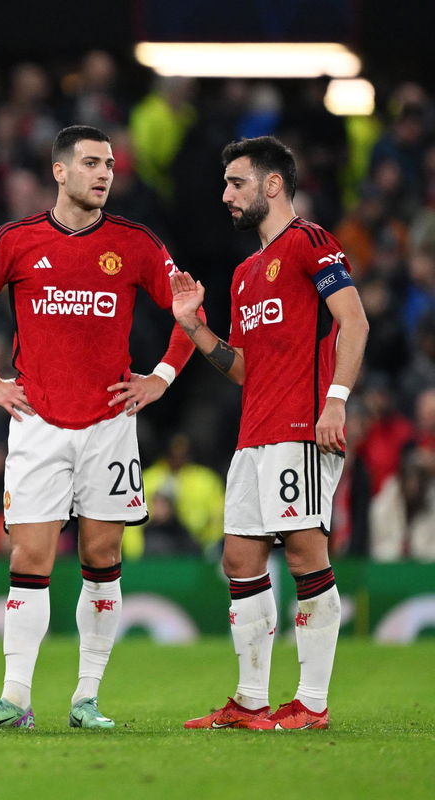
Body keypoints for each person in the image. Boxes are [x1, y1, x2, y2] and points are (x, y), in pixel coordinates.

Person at [0, 125, 199, 730]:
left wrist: (161, 376)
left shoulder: (135, 243)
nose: (104, 173)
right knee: (29, 555)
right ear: (60, 172)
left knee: (102, 553)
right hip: (37, 424)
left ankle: (86, 698)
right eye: (90, 163)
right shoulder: (17, 239)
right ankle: (15, 701)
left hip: (110, 424)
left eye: (109, 164)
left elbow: (189, 311)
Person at [171, 136, 369, 730]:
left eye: (236, 183)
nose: (225, 194)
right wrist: (197, 330)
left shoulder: (310, 243)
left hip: (301, 428)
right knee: (239, 559)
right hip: (254, 433)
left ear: (272, 184)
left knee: (307, 553)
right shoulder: (243, 274)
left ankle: (311, 703)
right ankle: (252, 701)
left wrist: (336, 402)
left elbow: (354, 322)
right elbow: (246, 370)